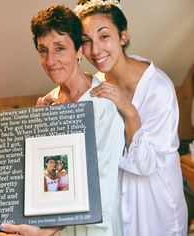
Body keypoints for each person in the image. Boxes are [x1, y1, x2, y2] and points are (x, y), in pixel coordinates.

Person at [0, 4, 125, 236]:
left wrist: (49, 228)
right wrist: (38, 132)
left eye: (59, 48)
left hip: (95, 227)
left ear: (79, 50)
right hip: (55, 226)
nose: (50, 60)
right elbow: (47, 173)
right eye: (43, 50)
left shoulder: (104, 104)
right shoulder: (49, 101)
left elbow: (99, 182)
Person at [74, 0, 188, 235]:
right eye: (86, 41)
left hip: (156, 206)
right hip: (115, 207)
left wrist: (130, 110)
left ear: (123, 36)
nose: (95, 50)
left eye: (104, 36)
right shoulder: (95, 87)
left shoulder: (159, 88)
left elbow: (146, 163)